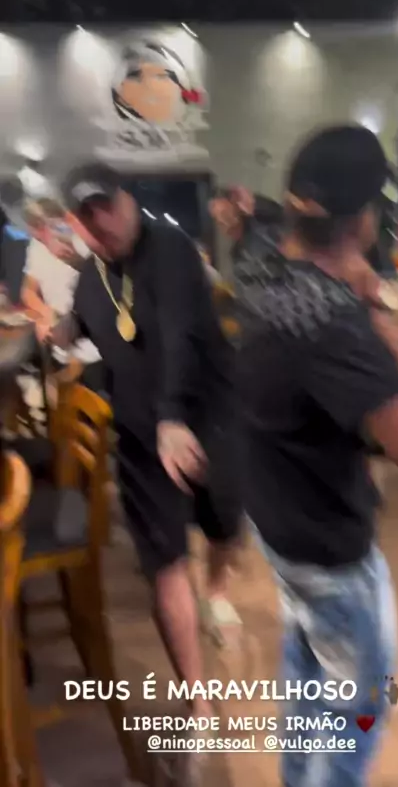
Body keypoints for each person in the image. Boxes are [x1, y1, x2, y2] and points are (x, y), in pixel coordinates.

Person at [234, 125, 398, 787]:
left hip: (276, 523)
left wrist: (354, 289)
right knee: (357, 714)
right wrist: (383, 331)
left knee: (308, 673)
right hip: (329, 547)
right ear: (364, 220)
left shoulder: (256, 265)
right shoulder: (340, 326)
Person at [38, 163, 241, 714]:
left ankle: (217, 590)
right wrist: (60, 332)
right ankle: (198, 705)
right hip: (140, 433)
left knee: (224, 522)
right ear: (75, 223)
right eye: (87, 215)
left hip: (208, 416)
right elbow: (82, 321)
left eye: (107, 205)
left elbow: (178, 333)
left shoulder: (169, 248)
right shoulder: (90, 276)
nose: (101, 221)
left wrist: (172, 418)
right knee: (166, 564)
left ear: (128, 199)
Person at [21, 199, 105, 394]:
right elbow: (28, 290)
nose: (43, 239)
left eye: (47, 228)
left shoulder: (82, 241)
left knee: (96, 403)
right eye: (38, 235)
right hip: (60, 347)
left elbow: (102, 287)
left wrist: (74, 258)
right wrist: (45, 313)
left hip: (93, 350)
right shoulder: (35, 246)